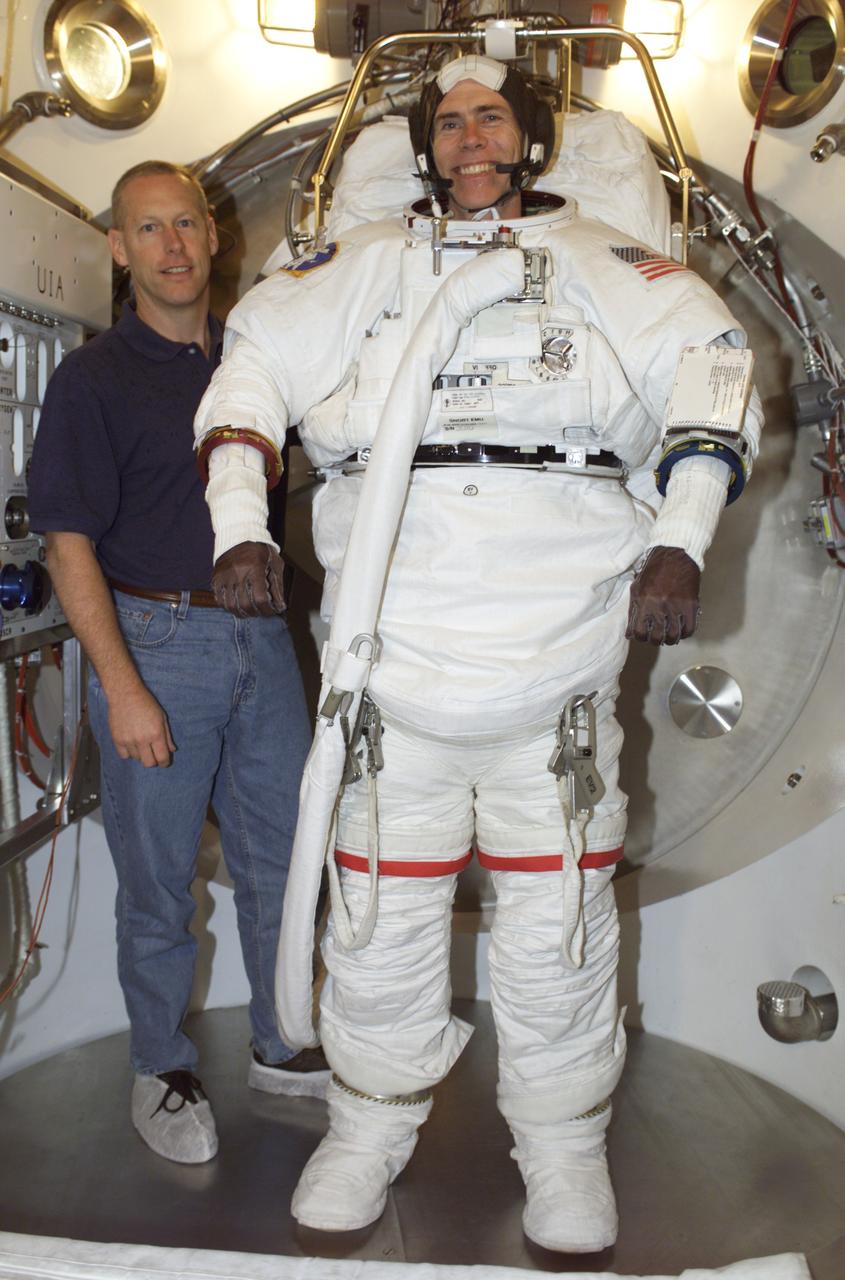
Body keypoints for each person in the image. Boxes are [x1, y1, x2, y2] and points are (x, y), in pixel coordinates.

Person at [194, 57, 762, 1249]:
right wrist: (241, 528)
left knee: (559, 932)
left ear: (531, 139)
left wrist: (681, 544)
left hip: (549, 670)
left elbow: (709, 373)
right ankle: (367, 1127)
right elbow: (249, 374)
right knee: (377, 928)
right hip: (389, 662)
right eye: (446, 123)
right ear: (421, 145)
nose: (467, 138)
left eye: (489, 117)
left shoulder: (616, 265)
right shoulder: (353, 266)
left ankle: (561, 1152)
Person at [28, 160, 328, 1167]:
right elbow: (67, 542)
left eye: (185, 224)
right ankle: (159, 1066)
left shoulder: (256, 358)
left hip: (263, 639)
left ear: (213, 232)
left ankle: (285, 1042)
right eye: (147, 229)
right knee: (157, 885)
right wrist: (121, 684)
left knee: (281, 865)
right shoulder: (93, 380)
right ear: (119, 248)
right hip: (155, 640)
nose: (171, 246)